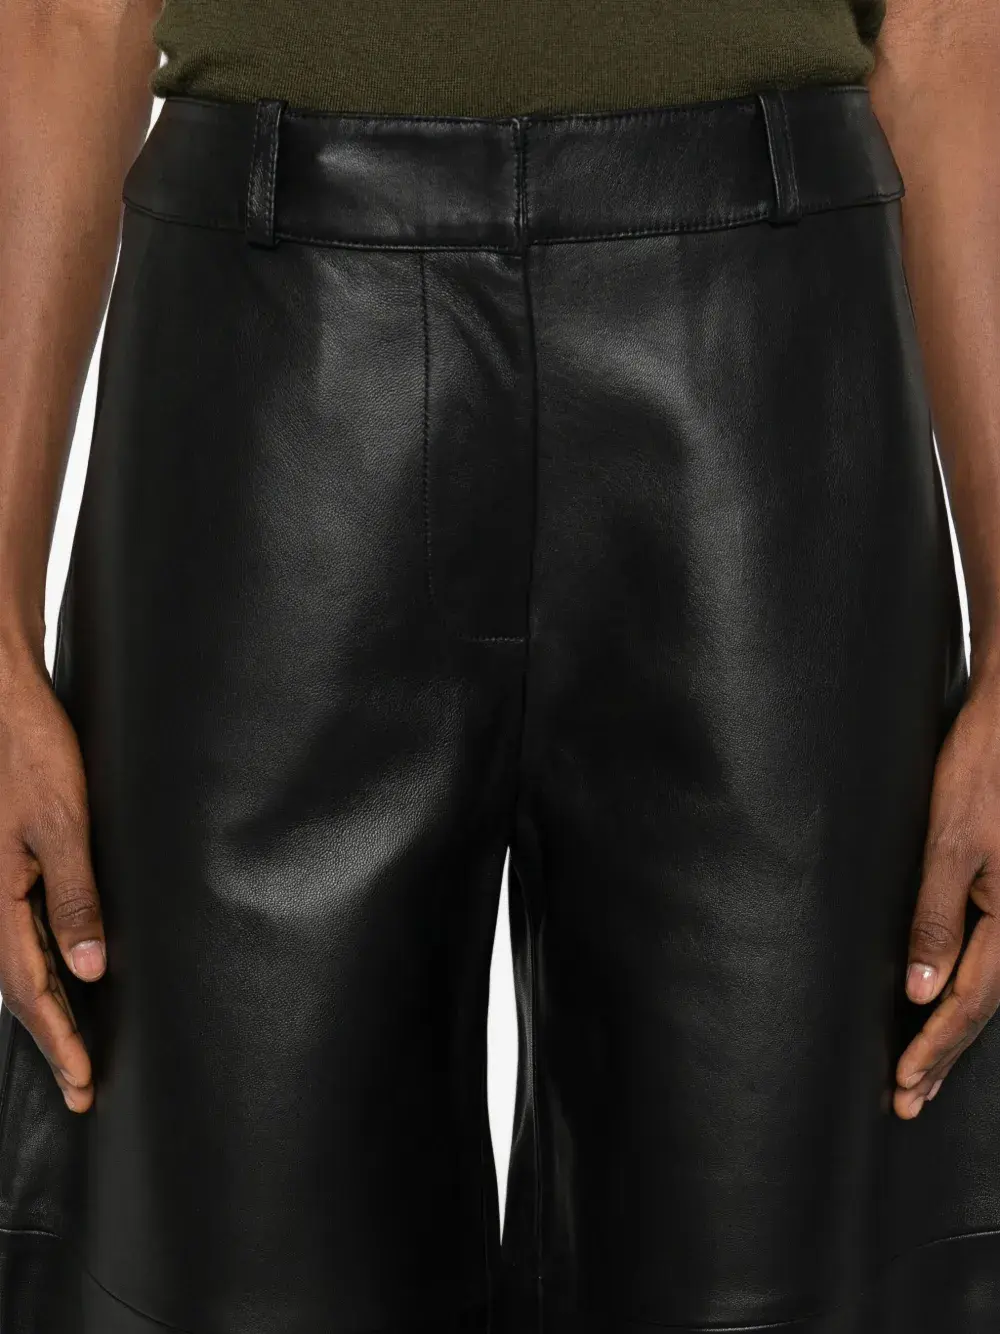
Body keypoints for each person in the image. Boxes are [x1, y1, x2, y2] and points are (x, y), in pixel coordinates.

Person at [1, 0, 999, 1330]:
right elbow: (69, 16)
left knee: (789, 1272)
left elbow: (947, 32)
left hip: (767, 385)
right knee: (221, 1261)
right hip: (271, 384)